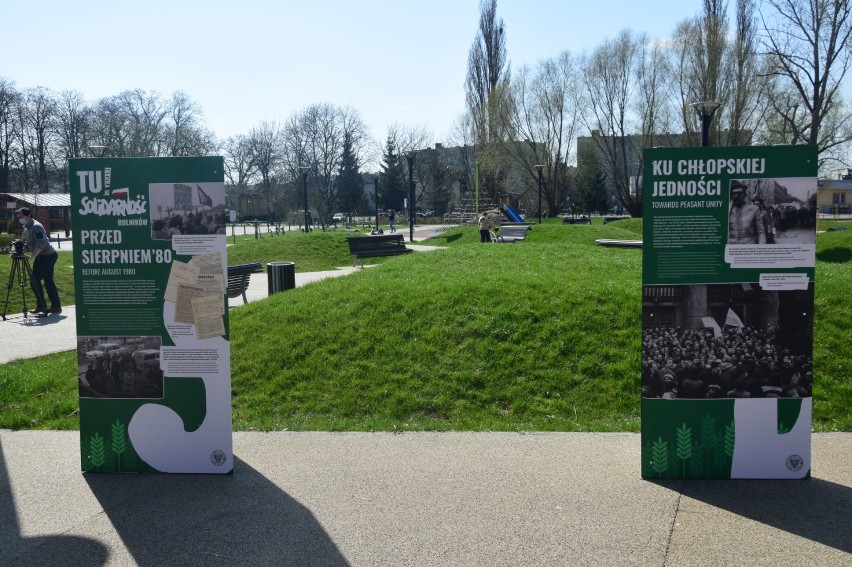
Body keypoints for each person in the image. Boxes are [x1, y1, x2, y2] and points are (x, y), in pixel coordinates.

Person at [15, 207, 61, 315]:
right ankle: (56, 306)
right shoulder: (26, 227)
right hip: (43, 256)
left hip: (47, 256)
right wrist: (19, 251)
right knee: (48, 282)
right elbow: (29, 244)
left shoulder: (36, 227)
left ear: (29, 216)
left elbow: (41, 243)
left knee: (34, 281)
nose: (19, 219)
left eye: (21, 217)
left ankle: (41, 306)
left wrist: (32, 256)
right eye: (18, 217)